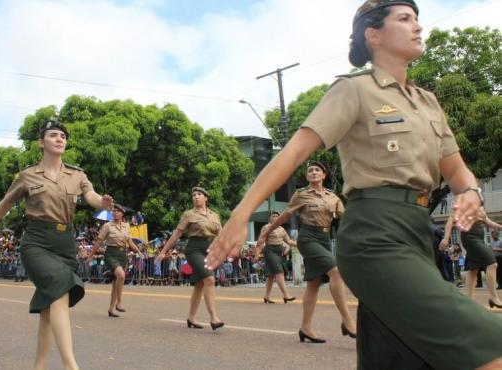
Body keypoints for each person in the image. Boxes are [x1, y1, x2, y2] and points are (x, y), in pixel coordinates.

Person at [205, 1, 502, 368]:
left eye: (417, 19)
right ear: (373, 34)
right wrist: (241, 214)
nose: (417, 27)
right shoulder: (354, 90)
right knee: (487, 344)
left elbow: (457, 170)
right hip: (374, 237)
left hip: (417, 233)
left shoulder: (427, 102)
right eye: (405, 19)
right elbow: (293, 153)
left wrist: (471, 191)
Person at [0, 118, 113, 370]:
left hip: (65, 243)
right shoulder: (27, 175)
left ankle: (38, 366)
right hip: (37, 241)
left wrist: (102, 202)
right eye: (53, 135)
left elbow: (90, 195)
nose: (60, 139)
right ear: (41, 142)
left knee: (49, 311)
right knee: (59, 293)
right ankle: (71, 365)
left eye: (63, 136)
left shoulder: (77, 174)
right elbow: (4, 205)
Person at [258, 162, 356, 343]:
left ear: (324, 175)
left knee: (315, 283)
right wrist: (267, 231)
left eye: (317, 170)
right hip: (308, 238)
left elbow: (347, 218)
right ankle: (347, 321)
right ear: (307, 176)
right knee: (335, 271)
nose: (313, 172)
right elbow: (286, 215)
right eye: (310, 170)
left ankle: (306, 328)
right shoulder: (301, 194)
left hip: (325, 239)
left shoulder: (332, 197)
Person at [156, 186, 224, 330]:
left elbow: (221, 234)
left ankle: (191, 318)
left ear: (206, 198)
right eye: (194, 195)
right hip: (194, 249)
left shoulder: (215, 215)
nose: (196, 197)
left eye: (199, 194)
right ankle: (214, 318)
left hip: (209, 249)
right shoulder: (188, 214)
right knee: (209, 279)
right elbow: (177, 234)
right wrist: (164, 251)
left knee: (199, 285)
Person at [440, 208, 502, 308]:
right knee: (492, 263)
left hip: (479, 239)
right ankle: (493, 297)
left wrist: (500, 226)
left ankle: (468, 300)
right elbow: (451, 219)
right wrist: (446, 238)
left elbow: (487, 221)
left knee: (473, 269)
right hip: (470, 238)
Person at [87, 204, 141, 317]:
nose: (115, 213)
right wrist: (90, 255)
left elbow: (130, 242)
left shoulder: (126, 226)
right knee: (121, 275)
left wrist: (138, 251)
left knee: (116, 282)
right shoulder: (107, 226)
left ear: (122, 213)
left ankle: (111, 309)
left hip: (122, 254)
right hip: (111, 254)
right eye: (114, 211)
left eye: (118, 211)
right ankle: (119, 303)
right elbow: (99, 241)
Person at [255, 211, 296, 304]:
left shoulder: (282, 229)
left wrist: (298, 244)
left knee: (271, 275)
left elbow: (289, 241)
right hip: (270, 251)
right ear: (269, 218)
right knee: (279, 271)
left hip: (279, 252)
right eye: (273, 216)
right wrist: (257, 254)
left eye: (277, 216)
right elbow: (261, 241)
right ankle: (286, 295)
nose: (275, 217)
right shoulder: (266, 227)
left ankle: (267, 296)